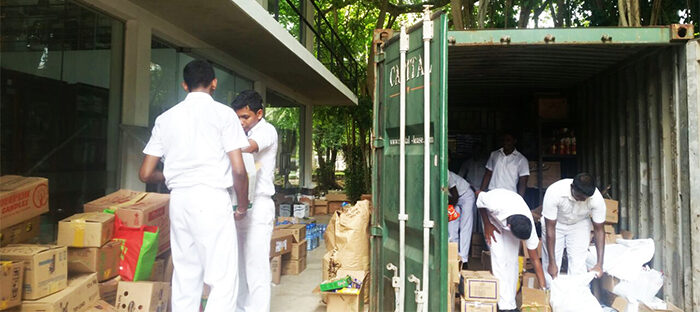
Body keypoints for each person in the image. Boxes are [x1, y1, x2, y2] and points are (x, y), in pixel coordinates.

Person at [139, 59, 250, 312]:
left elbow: (145, 173)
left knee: (186, 276)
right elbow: (239, 169)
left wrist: (171, 175)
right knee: (222, 279)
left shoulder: (165, 119)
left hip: (179, 201)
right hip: (212, 198)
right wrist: (242, 206)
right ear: (214, 83)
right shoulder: (224, 115)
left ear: (184, 85)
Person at [232, 90, 278, 312]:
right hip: (240, 203)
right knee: (238, 265)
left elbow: (249, 148)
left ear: (259, 113)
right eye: (238, 117)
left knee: (256, 266)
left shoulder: (266, 130)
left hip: (259, 204)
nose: (241, 122)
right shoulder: (239, 132)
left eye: (245, 117)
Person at [476, 189, 546, 312]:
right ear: (509, 227)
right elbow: (479, 196)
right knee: (499, 259)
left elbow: (535, 259)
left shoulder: (528, 227)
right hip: (493, 219)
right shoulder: (493, 203)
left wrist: (543, 288)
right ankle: (504, 306)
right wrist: (487, 224)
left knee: (512, 261)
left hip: (514, 216)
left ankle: (511, 302)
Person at [541, 173, 606, 287]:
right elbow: (550, 228)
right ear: (572, 187)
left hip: (579, 224)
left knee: (578, 264)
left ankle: (577, 296)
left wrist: (600, 263)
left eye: (585, 199)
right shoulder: (554, 192)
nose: (581, 201)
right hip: (556, 224)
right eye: (579, 197)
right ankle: (551, 295)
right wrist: (552, 262)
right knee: (551, 267)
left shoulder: (596, 199)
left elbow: (599, 230)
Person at [479, 133, 529, 197]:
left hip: (510, 195)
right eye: (503, 140)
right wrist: (481, 192)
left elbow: (523, 182)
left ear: (514, 141)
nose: (505, 142)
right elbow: (488, 174)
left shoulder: (521, 159)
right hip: (493, 193)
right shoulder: (494, 155)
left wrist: (520, 198)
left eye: (508, 140)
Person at [447, 171, 475, 266]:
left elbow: (455, 195)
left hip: (465, 195)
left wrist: (448, 209)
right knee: (451, 227)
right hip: (453, 199)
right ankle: (454, 255)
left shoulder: (446, 173)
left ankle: (464, 259)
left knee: (465, 226)